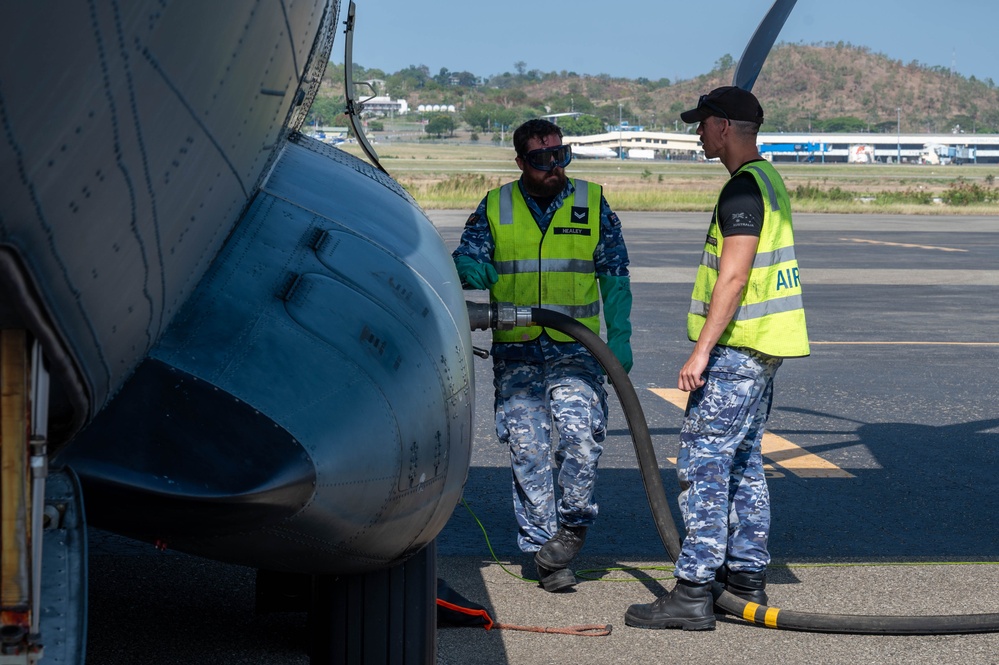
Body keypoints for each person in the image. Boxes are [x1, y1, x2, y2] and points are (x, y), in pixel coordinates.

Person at [624, 87, 809, 630]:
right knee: (745, 462)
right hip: (764, 348)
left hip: (736, 350)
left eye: (702, 124)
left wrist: (701, 350)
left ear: (724, 126)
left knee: (704, 463)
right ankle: (746, 577)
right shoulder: (769, 181)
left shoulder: (742, 193)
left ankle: (693, 590)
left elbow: (734, 275)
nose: (697, 133)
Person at [452, 118, 633, 592]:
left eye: (561, 154)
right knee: (527, 450)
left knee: (580, 439)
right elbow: (466, 257)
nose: (554, 165)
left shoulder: (591, 201)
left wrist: (621, 337)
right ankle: (545, 554)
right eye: (542, 158)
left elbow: (614, 275)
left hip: (577, 349)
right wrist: (471, 266)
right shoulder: (497, 204)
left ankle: (571, 529)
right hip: (517, 354)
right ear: (521, 162)